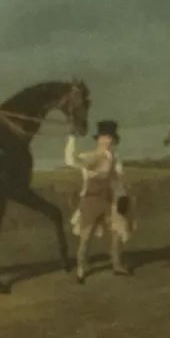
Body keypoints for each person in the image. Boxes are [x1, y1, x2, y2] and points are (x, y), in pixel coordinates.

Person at [64, 120, 133, 283]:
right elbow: (71, 160)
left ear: (113, 140)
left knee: (117, 231)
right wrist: (72, 138)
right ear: (98, 139)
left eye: (110, 138)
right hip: (92, 201)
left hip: (109, 201)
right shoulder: (92, 157)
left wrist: (122, 196)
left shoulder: (114, 158)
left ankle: (117, 264)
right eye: (104, 137)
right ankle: (81, 269)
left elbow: (116, 181)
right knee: (86, 237)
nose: (107, 141)